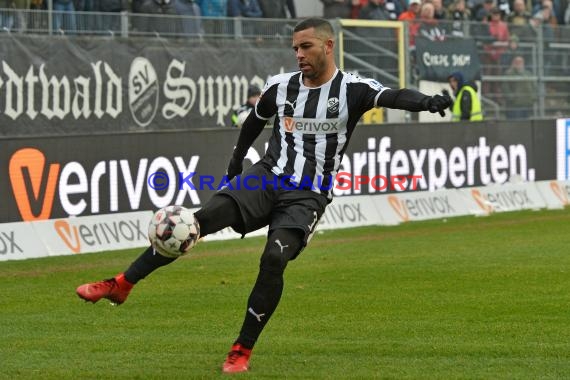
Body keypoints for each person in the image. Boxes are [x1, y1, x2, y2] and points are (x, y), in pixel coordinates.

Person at [75, 17, 451, 374]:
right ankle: (122, 284)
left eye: (306, 47)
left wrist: (427, 102)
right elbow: (256, 119)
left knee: (273, 259)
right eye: (295, 49)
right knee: (193, 223)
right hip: (265, 178)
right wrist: (236, 161)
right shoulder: (282, 86)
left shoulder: (353, 90)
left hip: (308, 194)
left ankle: (241, 349)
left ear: (328, 46)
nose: (299, 55)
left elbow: (394, 95)